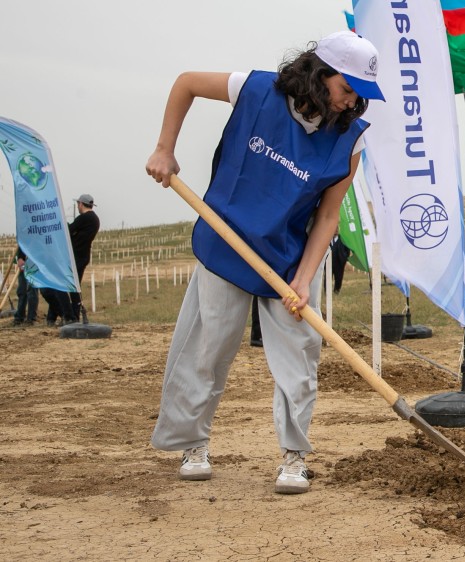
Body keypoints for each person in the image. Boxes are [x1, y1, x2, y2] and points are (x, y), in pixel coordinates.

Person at [144, 31, 384, 494]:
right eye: (347, 89)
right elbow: (186, 82)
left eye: (359, 95)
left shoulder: (349, 141)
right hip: (225, 242)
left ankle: (294, 457)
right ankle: (194, 443)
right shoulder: (255, 90)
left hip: (285, 258)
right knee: (207, 348)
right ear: (320, 73)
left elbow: (328, 216)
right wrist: (164, 148)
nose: (351, 103)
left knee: (299, 356)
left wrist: (305, 278)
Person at [68, 193, 101, 320]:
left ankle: (74, 315)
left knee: (73, 286)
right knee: (75, 284)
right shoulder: (95, 219)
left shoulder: (84, 218)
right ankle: (73, 313)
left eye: (78, 204)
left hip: (77, 256)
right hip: (84, 255)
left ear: (81, 204)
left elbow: (70, 230)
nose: (77, 206)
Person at [12, 246, 38, 326]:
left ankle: (31, 318)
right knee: (21, 290)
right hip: (23, 261)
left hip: (34, 261)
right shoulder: (23, 233)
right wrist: (19, 258)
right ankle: (19, 317)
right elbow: (21, 243)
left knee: (32, 290)